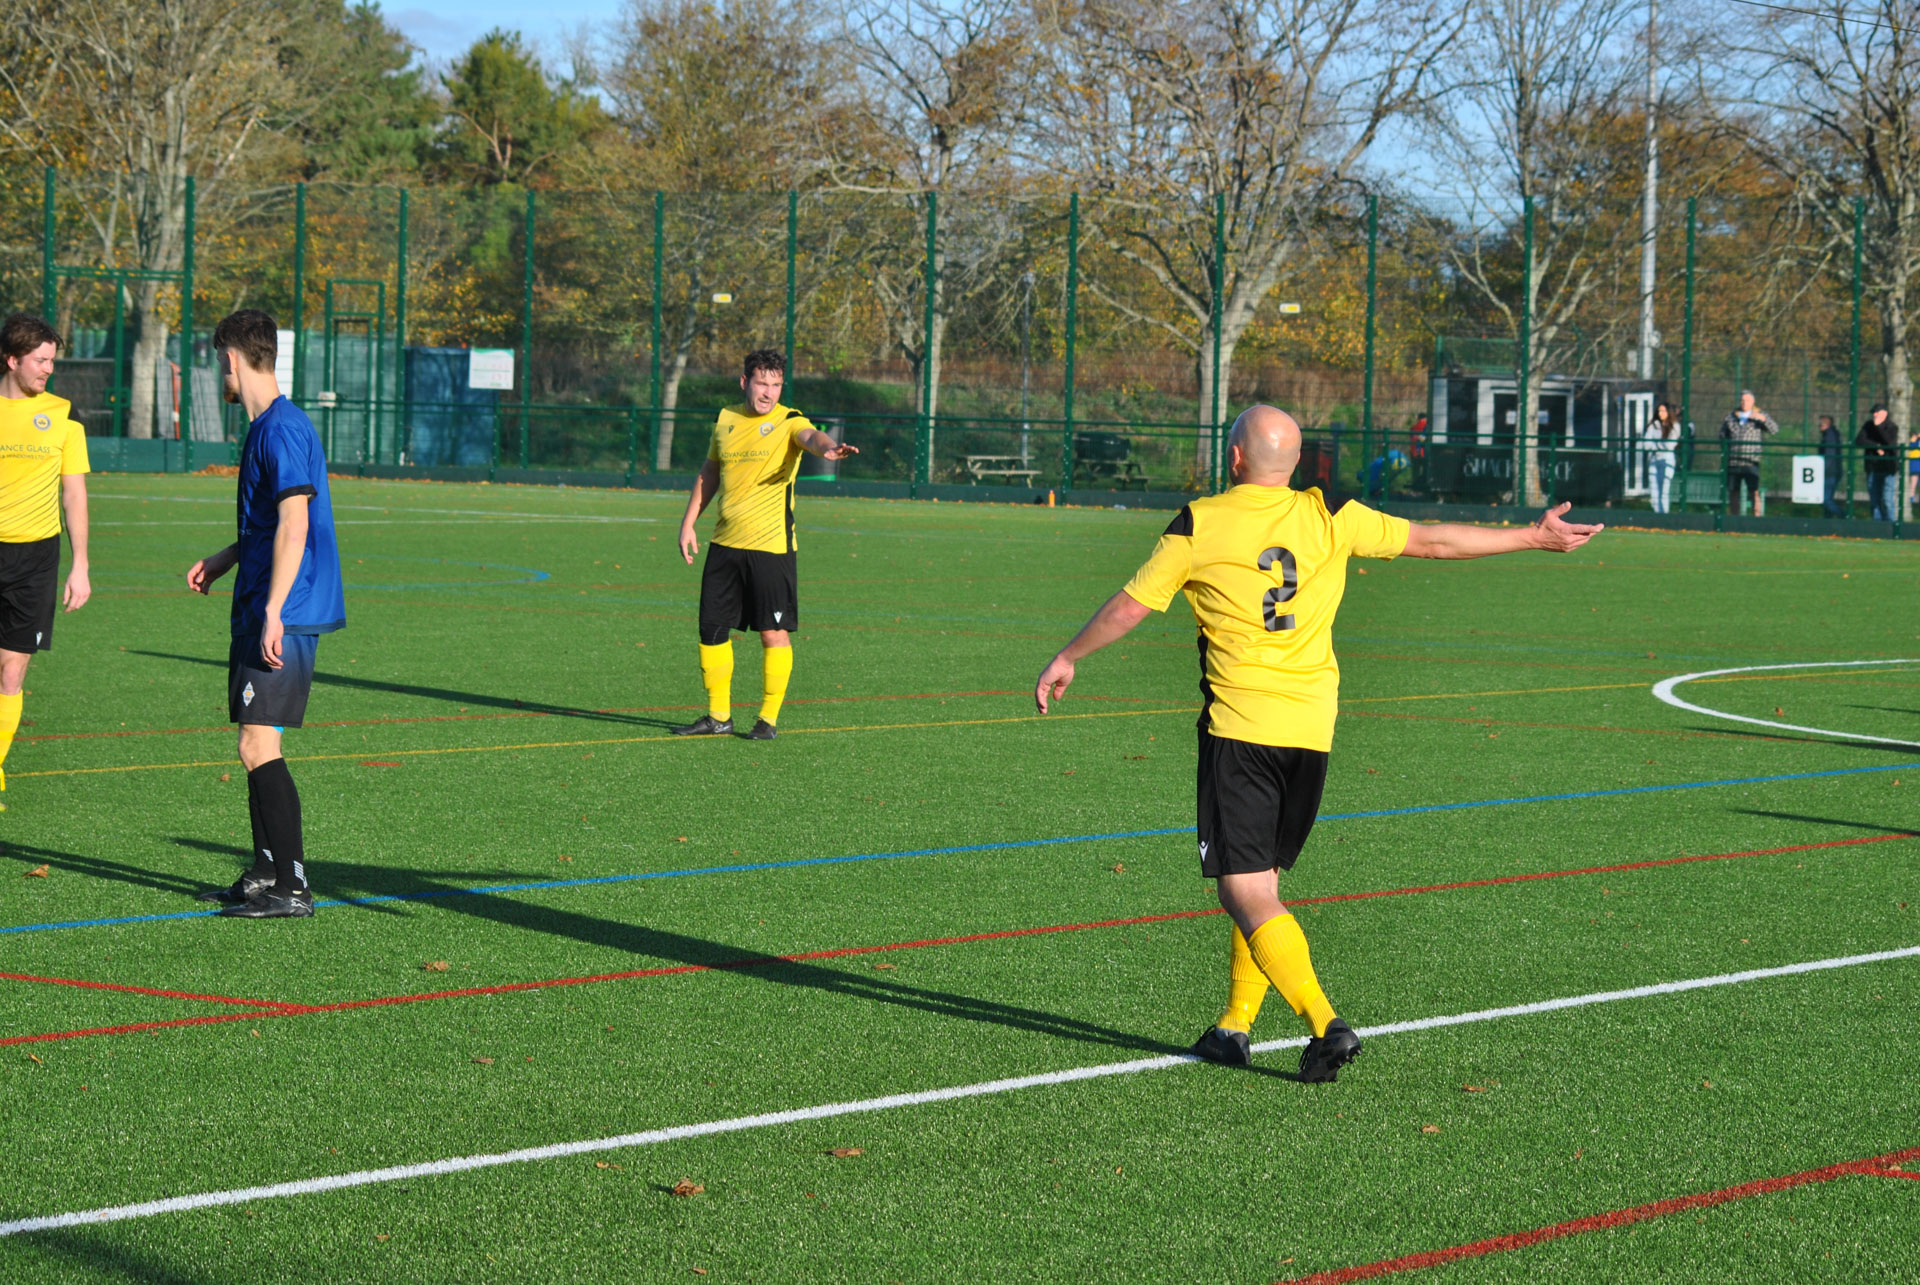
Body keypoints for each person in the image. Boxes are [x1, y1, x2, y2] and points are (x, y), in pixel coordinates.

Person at [1032, 404, 1602, 1082]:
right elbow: (1435, 541)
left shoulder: (1200, 522)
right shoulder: (1330, 513)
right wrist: (1533, 536)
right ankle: (1233, 1027)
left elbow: (1132, 605)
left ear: (1234, 457)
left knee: (1244, 891)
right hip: (1311, 731)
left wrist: (1069, 655)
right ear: (1297, 463)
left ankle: (1325, 1023)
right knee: (1263, 882)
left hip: (1242, 729)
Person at [186, 311, 345, 918]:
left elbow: (295, 521)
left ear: (231, 357)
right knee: (254, 741)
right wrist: (226, 558)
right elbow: (269, 523)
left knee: (258, 745)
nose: (218, 372)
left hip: (286, 609)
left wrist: (275, 609)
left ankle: (294, 887)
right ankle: (265, 873)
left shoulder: (281, 428)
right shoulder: (265, 427)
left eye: (218, 361)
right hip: (263, 601)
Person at [674, 349, 858, 741]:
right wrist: (688, 523)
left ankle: (768, 719)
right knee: (711, 628)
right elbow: (710, 472)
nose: (768, 393)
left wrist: (826, 448)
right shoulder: (726, 418)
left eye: (776, 385)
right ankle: (718, 716)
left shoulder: (789, 420)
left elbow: (810, 436)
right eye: (762, 383)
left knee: (772, 631)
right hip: (725, 543)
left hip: (771, 547)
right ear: (745, 382)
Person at [0, 313, 91, 808]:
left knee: (11, 674)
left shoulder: (63, 414)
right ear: (12, 360)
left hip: (36, 557)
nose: (48, 370)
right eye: (40, 361)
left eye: (52, 361)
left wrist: (81, 566)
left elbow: (73, 493)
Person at [1719, 390, 1776, 517]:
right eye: (1742, 400)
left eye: (1748, 400)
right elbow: (1722, 436)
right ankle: (1735, 519)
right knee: (1733, 491)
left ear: (1753, 402)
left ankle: (1756, 519)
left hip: (1751, 461)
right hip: (1733, 461)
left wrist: (1763, 419)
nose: (1744, 403)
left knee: (1754, 491)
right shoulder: (1731, 416)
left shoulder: (1759, 415)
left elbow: (1774, 429)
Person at [1857, 403, 1900, 522]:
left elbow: (1889, 443)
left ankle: (1891, 525)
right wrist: (1876, 446)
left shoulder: (1891, 427)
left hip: (1888, 468)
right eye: (1874, 413)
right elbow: (1860, 440)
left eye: (1877, 412)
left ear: (1884, 413)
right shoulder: (1868, 425)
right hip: (1872, 467)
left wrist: (1879, 427)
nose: (1874, 415)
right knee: (1874, 499)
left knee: (1887, 498)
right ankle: (1878, 524)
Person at [1642, 401, 1680, 514]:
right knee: (1654, 489)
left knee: (1664, 488)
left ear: (1669, 412)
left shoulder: (1674, 426)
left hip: (1667, 460)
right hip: (1654, 460)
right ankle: (1656, 513)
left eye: (1663, 411)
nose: (1660, 413)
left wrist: (1655, 445)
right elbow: (1646, 444)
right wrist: (1659, 445)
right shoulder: (1653, 425)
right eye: (1659, 411)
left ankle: (1664, 514)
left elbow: (1670, 444)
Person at [1818, 415, 1845, 518]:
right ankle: (1828, 521)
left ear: (1826, 424)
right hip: (1831, 471)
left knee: (1825, 499)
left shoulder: (1830, 436)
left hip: (1830, 472)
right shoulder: (1829, 435)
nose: (1819, 426)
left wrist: (1823, 470)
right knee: (1827, 499)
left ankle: (1845, 516)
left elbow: (1830, 456)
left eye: (1820, 424)